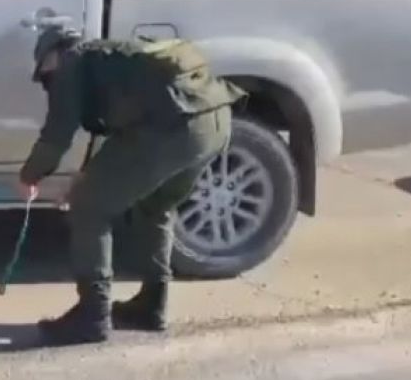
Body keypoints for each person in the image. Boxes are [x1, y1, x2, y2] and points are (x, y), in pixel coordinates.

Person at [18, 27, 247, 346]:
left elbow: (57, 135)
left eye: (44, 72)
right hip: (214, 122)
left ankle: (92, 316)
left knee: (88, 209)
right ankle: (152, 306)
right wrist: (87, 179)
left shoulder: (70, 64)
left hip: (173, 128)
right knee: (154, 206)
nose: (47, 81)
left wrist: (30, 176)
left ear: (53, 55)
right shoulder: (112, 58)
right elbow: (117, 149)